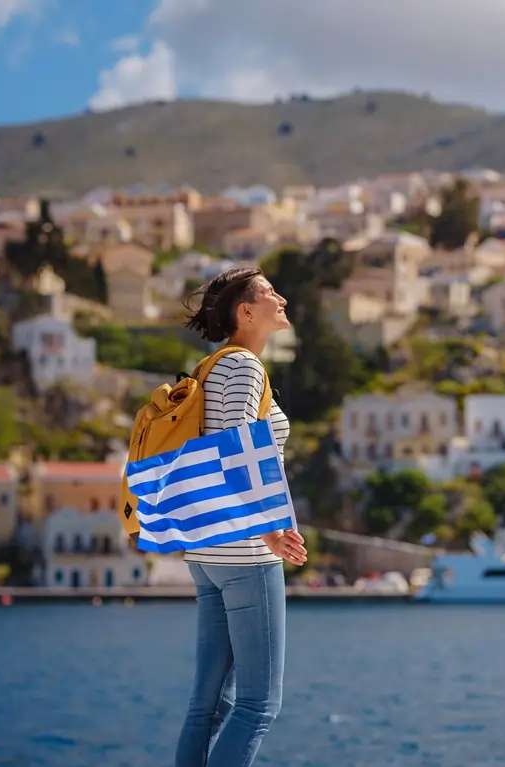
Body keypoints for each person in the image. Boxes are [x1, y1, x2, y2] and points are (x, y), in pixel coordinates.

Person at [175, 265, 307, 767]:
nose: (283, 299)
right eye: (271, 293)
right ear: (245, 311)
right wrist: (268, 529)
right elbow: (234, 447)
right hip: (245, 550)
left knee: (209, 704)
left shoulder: (214, 366)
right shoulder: (244, 367)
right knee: (258, 705)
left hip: (208, 549)